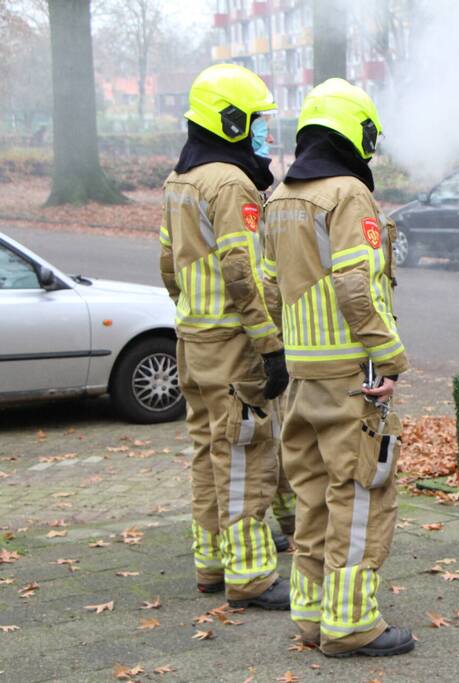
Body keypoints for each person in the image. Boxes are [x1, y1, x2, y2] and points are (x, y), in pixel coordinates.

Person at [262, 78, 413, 657]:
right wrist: (389, 355)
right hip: (352, 378)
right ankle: (350, 625)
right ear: (357, 132)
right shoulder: (347, 194)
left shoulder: (279, 199)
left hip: (303, 379)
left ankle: (312, 615)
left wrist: (286, 352)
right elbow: (355, 283)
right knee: (360, 499)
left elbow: (271, 286)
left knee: (313, 496)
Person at [158, 63, 290, 609]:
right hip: (235, 346)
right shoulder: (231, 183)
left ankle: (211, 563)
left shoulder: (179, 181)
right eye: (257, 121)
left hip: (192, 342)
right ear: (231, 121)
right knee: (244, 456)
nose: (264, 132)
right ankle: (252, 575)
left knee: (206, 453)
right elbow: (243, 271)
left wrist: (191, 313)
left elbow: (168, 263)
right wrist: (270, 343)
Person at [249, 111, 298, 550]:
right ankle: (278, 522)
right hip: (256, 338)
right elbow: (260, 279)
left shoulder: (266, 195)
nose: (266, 142)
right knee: (264, 442)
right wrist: (271, 343)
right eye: (260, 133)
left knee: (273, 438)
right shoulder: (236, 191)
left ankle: (288, 523)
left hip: (259, 333)